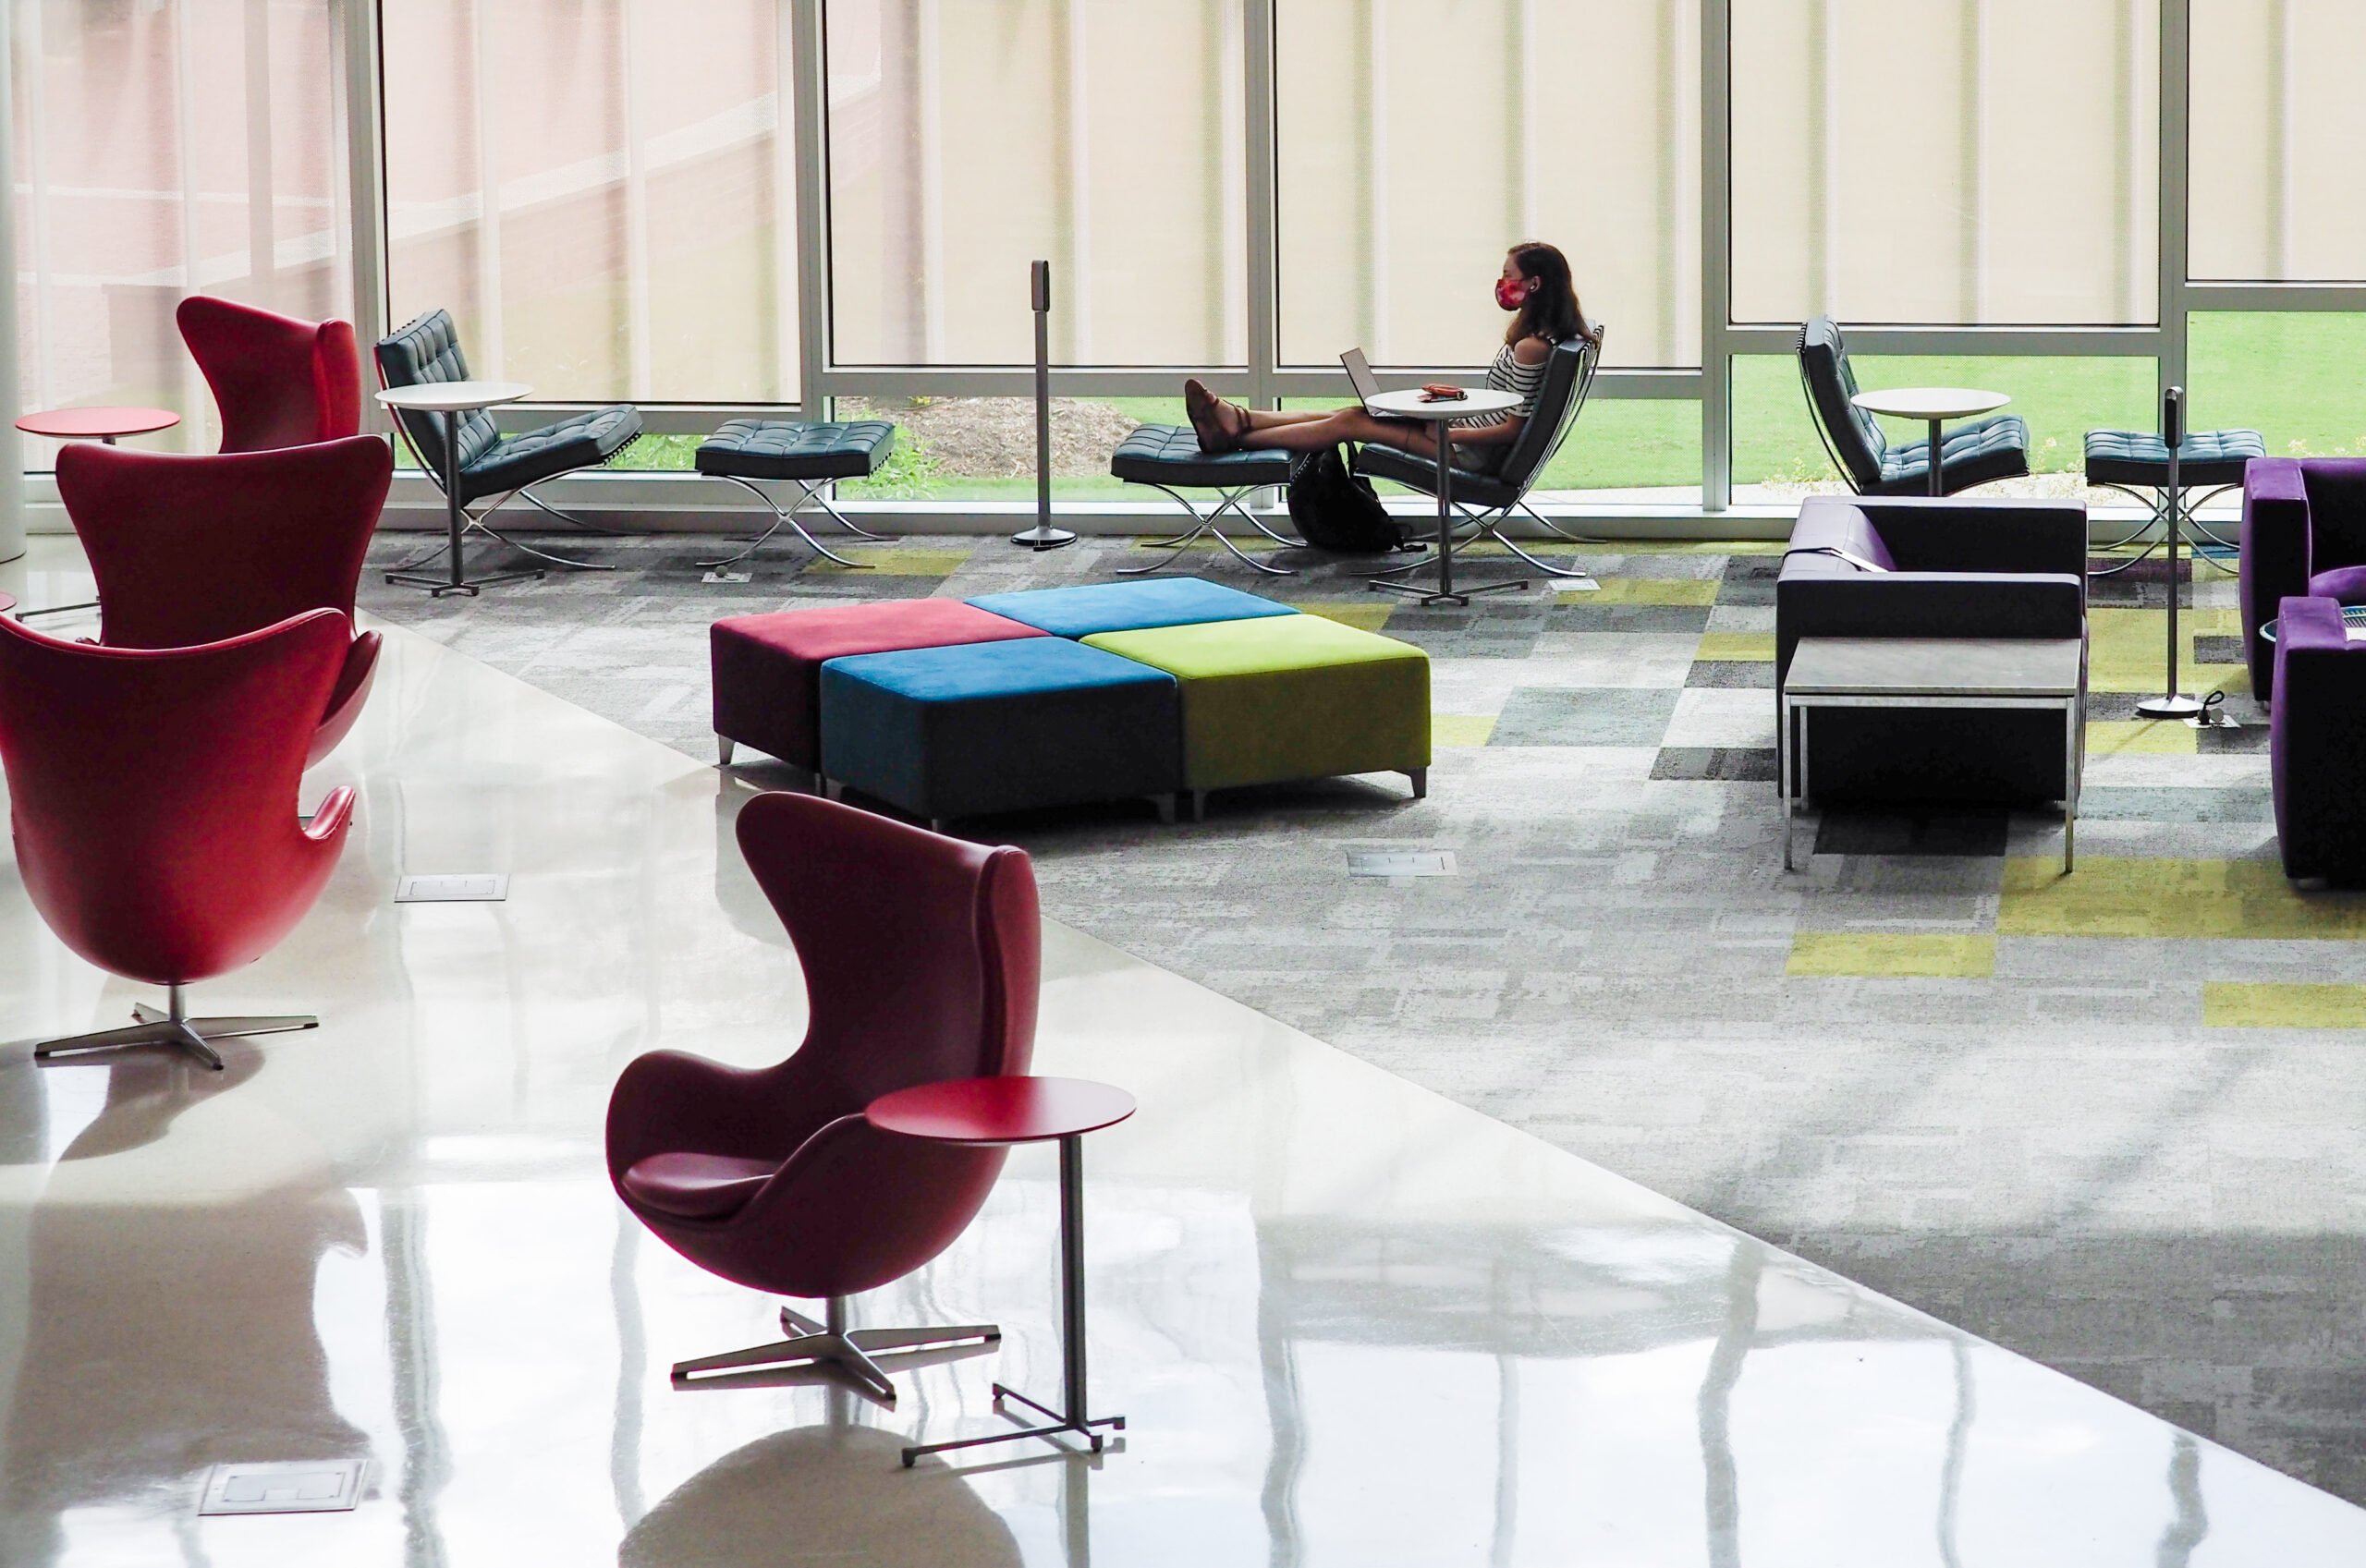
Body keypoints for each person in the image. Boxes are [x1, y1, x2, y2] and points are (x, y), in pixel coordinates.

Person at [1184, 240, 1595, 471]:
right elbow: (1510, 404)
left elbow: (1511, 429)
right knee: (1355, 411)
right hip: (1458, 427)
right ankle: (1236, 421)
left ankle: (1233, 438)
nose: (1502, 282)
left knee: (1348, 422)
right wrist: (1454, 400)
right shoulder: (1544, 336)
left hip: (1466, 451)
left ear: (1535, 284)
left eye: (1510, 275)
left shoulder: (1532, 347)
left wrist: (1449, 431)